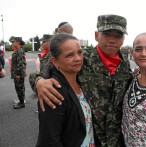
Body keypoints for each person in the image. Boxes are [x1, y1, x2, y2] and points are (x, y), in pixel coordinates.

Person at [35, 14, 132, 146]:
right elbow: (40, 74)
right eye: (107, 34)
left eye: (118, 36)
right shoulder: (81, 58)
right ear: (96, 36)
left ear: (123, 39)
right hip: (90, 138)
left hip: (116, 140)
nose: (112, 40)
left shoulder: (126, 65)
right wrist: (39, 81)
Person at [36, 34, 94, 146]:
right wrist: (39, 81)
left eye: (79, 52)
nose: (77, 58)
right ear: (55, 61)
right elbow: (50, 140)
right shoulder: (53, 92)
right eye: (69, 55)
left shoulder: (80, 81)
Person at [11, 37, 27, 109]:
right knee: (19, 87)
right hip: (17, 73)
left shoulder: (19, 51)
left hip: (18, 73)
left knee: (19, 87)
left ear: (18, 42)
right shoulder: (17, 50)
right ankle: (21, 101)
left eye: (14, 41)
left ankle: (21, 103)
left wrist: (17, 74)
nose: (13, 43)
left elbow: (20, 64)